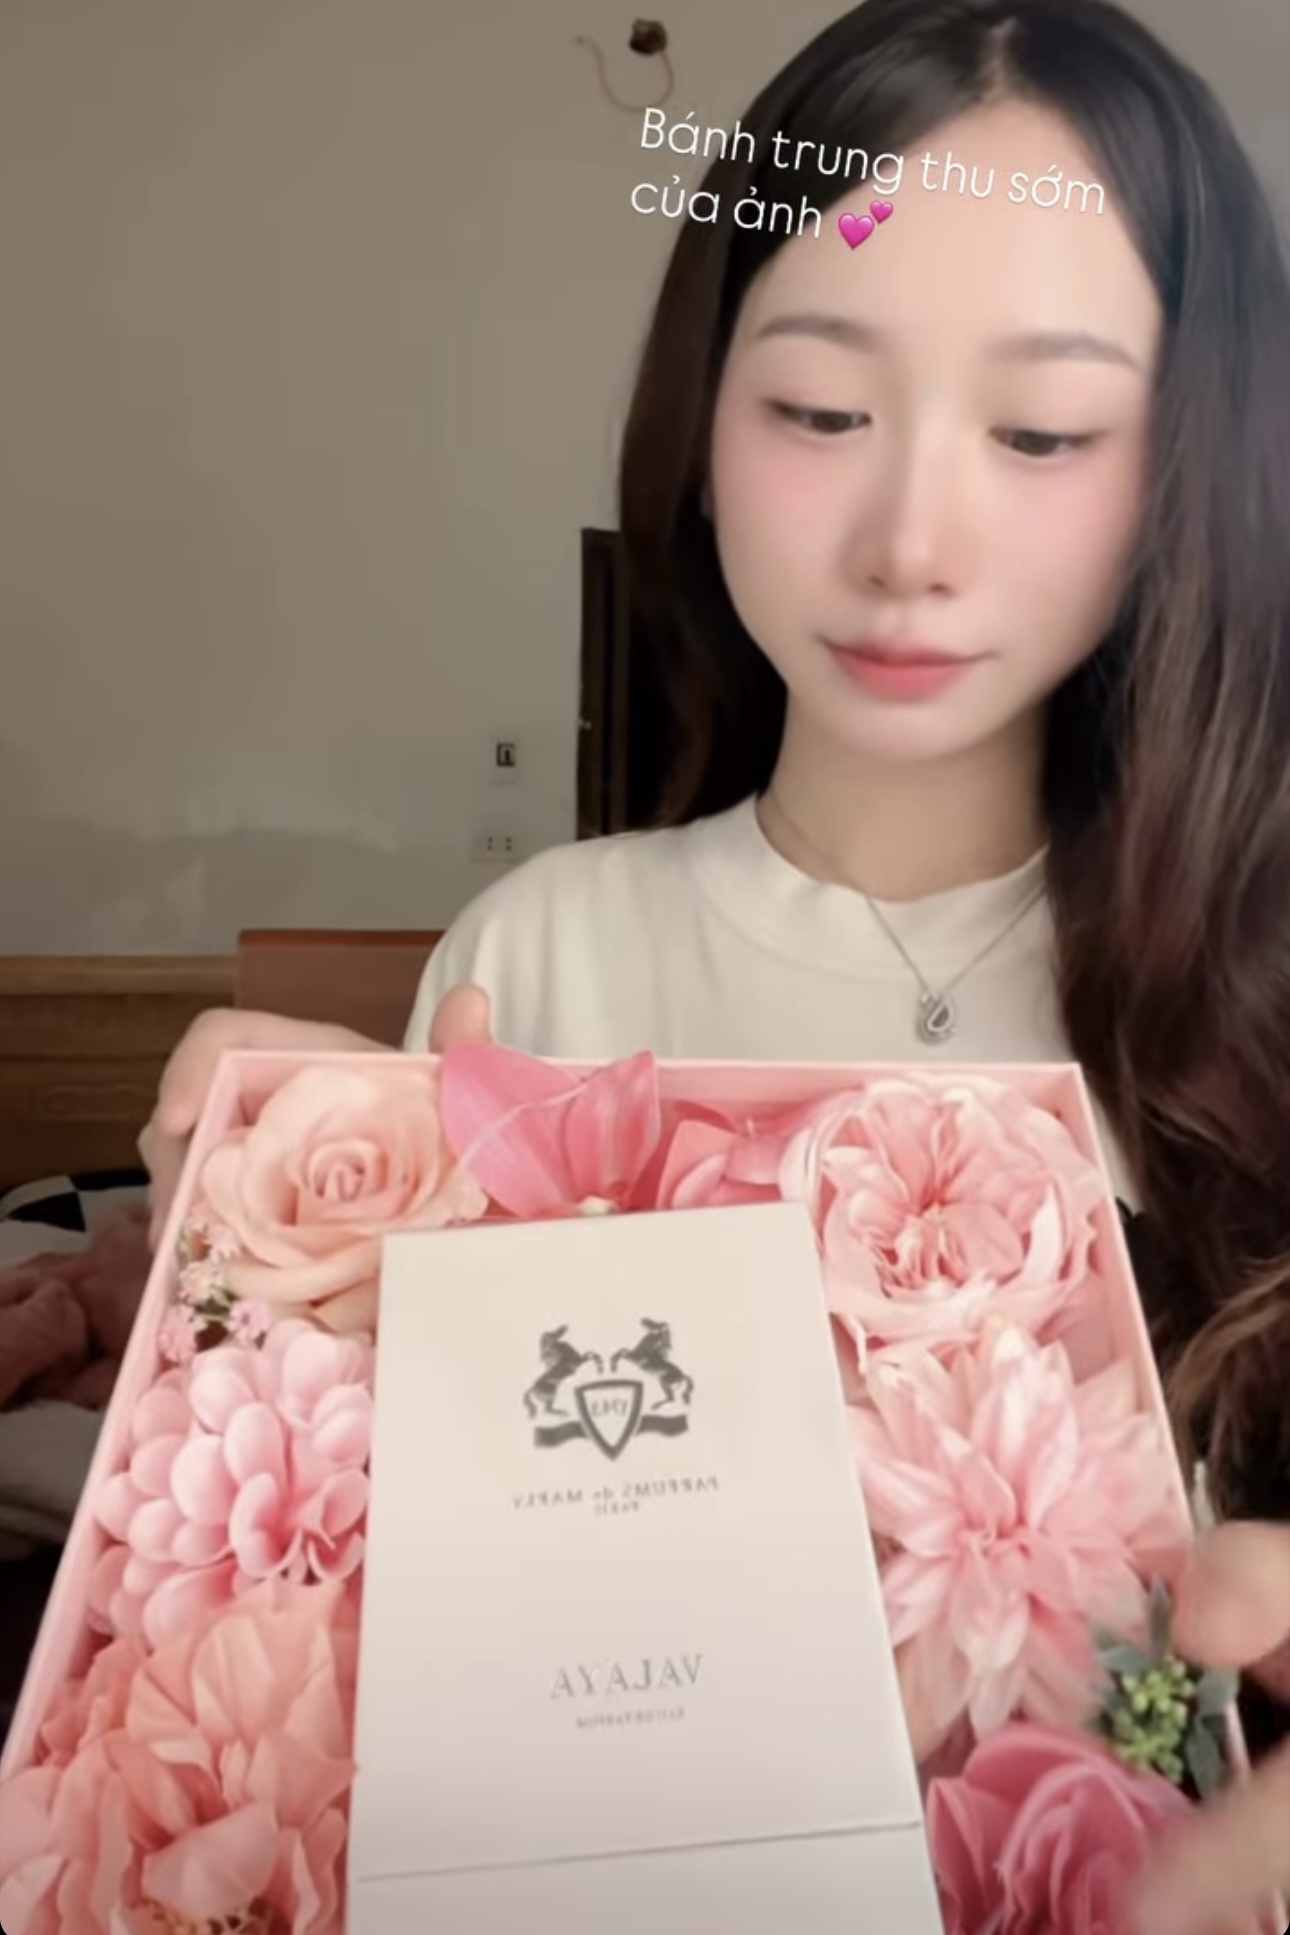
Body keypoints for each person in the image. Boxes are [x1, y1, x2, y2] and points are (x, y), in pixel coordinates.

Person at [140, 0, 1290, 1924]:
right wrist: (234, 1314)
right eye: (822, 411)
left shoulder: (1255, 991)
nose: (909, 540)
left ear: (1183, 468)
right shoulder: (541, 951)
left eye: (1041, 432)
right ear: (702, 424)